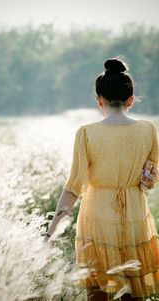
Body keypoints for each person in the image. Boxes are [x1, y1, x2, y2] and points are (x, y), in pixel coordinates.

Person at [44, 57, 159, 300]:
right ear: (130, 100)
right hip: (135, 217)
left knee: (97, 292)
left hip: (97, 218)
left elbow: (74, 187)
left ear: (99, 100)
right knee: (132, 289)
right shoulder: (149, 130)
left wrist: (51, 232)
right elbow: (148, 181)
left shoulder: (86, 133)